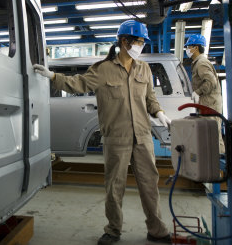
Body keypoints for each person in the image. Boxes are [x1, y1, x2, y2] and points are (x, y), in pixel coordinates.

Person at [33, 20, 172, 244]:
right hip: (116, 137)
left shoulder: (143, 68)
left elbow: (150, 98)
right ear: (123, 41)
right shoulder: (103, 69)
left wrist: (160, 113)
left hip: (143, 136)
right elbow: (77, 84)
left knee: (149, 184)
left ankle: (156, 229)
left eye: (143, 42)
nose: (141, 46)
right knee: (114, 186)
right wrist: (53, 77)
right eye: (138, 41)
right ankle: (113, 230)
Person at [185, 34, 225, 154]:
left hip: (210, 104)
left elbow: (211, 82)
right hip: (209, 103)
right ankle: (215, 162)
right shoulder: (199, 62)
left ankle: (218, 163)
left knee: (212, 134)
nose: (187, 50)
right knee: (211, 133)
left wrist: (197, 92)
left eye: (188, 47)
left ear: (196, 48)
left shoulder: (201, 63)